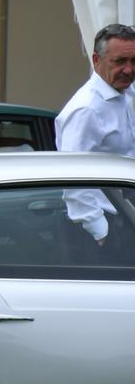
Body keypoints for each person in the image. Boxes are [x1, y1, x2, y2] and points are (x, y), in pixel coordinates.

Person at [56, 22, 135, 242]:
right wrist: (101, 232)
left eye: (134, 61)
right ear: (97, 61)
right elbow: (72, 178)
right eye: (120, 61)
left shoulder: (124, 93)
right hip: (99, 228)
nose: (129, 69)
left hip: (122, 216)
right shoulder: (86, 109)